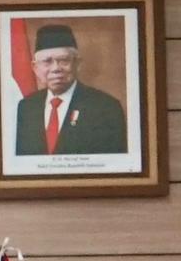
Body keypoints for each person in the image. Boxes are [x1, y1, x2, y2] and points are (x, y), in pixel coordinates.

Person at [9, 23, 127, 159]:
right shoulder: (26, 107)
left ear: (78, 64)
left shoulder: (106, 108)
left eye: (64, 61)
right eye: (47, 61)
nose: (55, 69)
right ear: (35, 68)